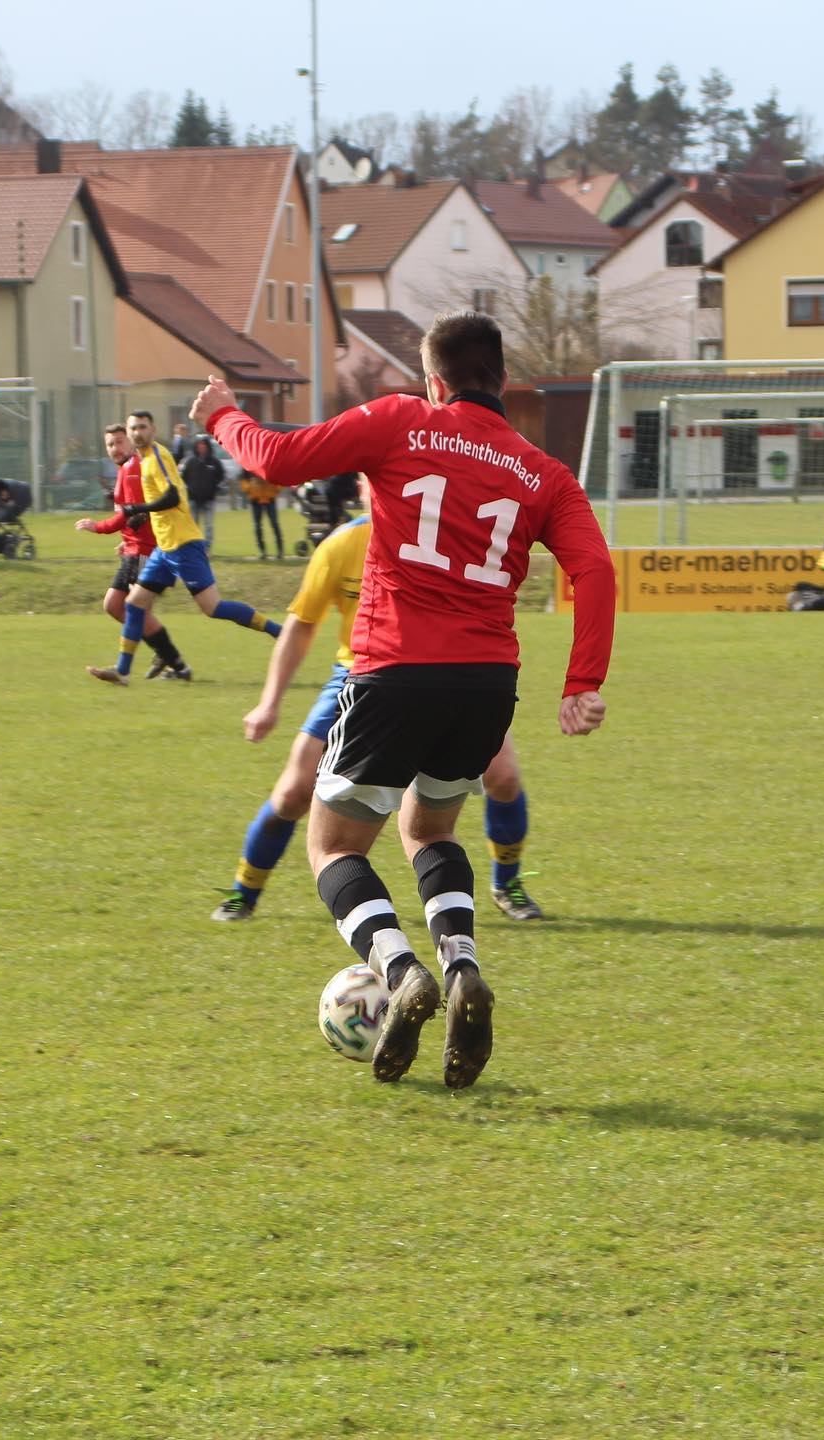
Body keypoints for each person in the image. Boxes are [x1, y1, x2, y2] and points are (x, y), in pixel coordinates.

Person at [191, 309, 615, 1090]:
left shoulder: (400, 423)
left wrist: (222, 412)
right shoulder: (541, 471)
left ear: (433, 380)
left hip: (391, 670)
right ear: (505, 383)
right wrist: (583, 681)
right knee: (429, 830)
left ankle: (399, 968)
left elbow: (278, 459)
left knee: (334, 847)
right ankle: (461, 967)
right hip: (486, 685)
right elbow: (594, 568)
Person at [212, 490, 543, 926]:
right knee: (294, 791)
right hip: (357, 673)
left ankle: (508, 884)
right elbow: (301, 625)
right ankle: (244, 891)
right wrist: (269, 703)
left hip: (442, 671)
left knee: (503, 776)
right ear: (365, 485)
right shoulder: (342, 545)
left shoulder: (445, 537)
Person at [86, 410, 281, 685]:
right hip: (164, 549)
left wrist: (139, 508)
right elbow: (158, 503)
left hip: (184, 544)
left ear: (152, 430)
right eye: (133, 428)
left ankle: (278, 631)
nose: (137, 432)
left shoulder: (158, 457)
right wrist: (140, 519)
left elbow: (173, 496)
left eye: (142, 427)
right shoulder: (143, 460)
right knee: (134, 603)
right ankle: (122, 670)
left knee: (213, 608)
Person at [76, 423, 191, 682]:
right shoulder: (126, 469)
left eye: (119, 442)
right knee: (119, 606)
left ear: (130, 442)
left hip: (143, 551)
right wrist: (127, 537)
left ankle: (166, 662)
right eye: (109, 444)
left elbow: (137, 512)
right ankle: (169, 659)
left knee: (127, 607)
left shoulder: (132, 469)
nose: (114, 448)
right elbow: (137, 514)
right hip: (135, 548)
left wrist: (99, 527)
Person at [180, 436, 225, 552]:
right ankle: (194, 549)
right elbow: (182, 478)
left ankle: (207, 549)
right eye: (199, 444)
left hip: (209, 499)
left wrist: (214, 489)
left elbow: (221, 478)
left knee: (209, 526)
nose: (201, 447)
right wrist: (188, 490)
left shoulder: (214, 462)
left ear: (208, 446)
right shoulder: (190, 461)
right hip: (193, 499)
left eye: (204, 444)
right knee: (193, 526)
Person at [241, 471, 284, 560]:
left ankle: (280, 550)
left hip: (269, 498)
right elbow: (243, 480)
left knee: (274, 524)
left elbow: (280, 479)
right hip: (256, 499)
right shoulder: (249, 467)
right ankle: (262, 551)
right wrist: (250, 488)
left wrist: (276, 490)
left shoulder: (270, 465)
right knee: (258, 526)